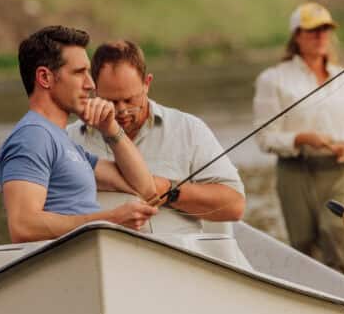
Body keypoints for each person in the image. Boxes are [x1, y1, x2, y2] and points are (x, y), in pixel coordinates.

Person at [0, 25, 158, 243]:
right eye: (79, 72)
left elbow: (144, 188)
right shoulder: (32, 137)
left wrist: (110, 128)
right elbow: (23, 226)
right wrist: (111, 220)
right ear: (45, 77)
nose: (90, 84)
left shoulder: (65, 143)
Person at [68, 40, 245, 232]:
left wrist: (171, 191)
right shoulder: (68, 139)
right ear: (94, 89)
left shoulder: (188, 129)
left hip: (174, 247)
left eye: (129, 100)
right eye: (111, 101)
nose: (122, 111)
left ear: (147, 84)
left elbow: (235, 206)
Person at [252, 2, 344, 274]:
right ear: (296, 36)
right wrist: (301, 138)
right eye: (312, 30)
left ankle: (343, 295)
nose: (320, 36)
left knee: (336, 233)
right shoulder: (273, 79)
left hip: (340, 173)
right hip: (295, 172)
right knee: (303, 246)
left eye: (325, 30)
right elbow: (265, 137)